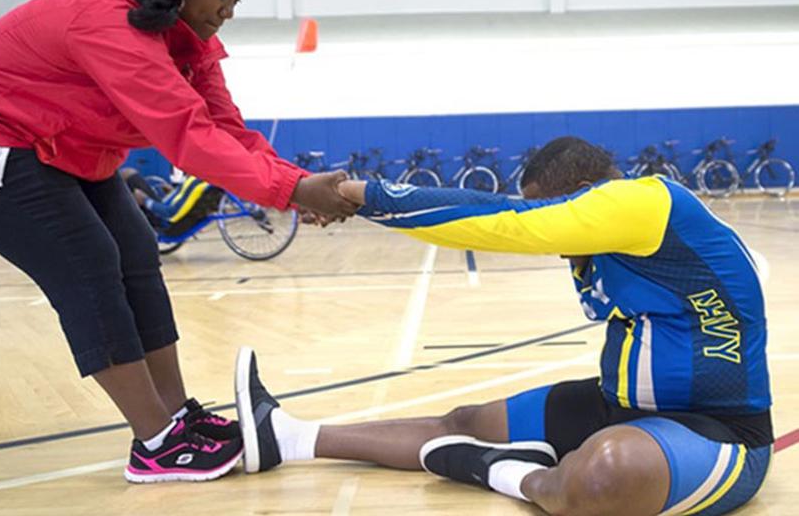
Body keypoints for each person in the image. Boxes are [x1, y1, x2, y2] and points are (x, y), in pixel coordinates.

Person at [0, 0, 356, 484]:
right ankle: (157, 442)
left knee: (135, 248)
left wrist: (296, 186)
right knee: (87, 258)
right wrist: (292, 188)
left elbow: (223, 126)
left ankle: (178, 417)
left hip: (52, 138)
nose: (228, 10)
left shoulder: (189, 35)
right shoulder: (105, 17)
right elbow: (186, 136)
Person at [235, 137, 773, 515]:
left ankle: (502, 471)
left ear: (586, 192)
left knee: (604, 476)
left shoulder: (643, 202)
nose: (553, 241)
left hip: (719, 430)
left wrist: (360, 194)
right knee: (462, 418)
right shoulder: (607, 232)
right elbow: (495, 207)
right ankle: (288, 436)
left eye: (551, 213)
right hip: (621, 407)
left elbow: (500, 224)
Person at [120, 167, 224, 236]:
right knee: (127, 175)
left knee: (127, 175)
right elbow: (183, 199)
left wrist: (145, 200)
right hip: (164, 209)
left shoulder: (199, 186)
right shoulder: (200, 179)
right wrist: (173, 192)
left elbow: (171, 214)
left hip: (164, 221)